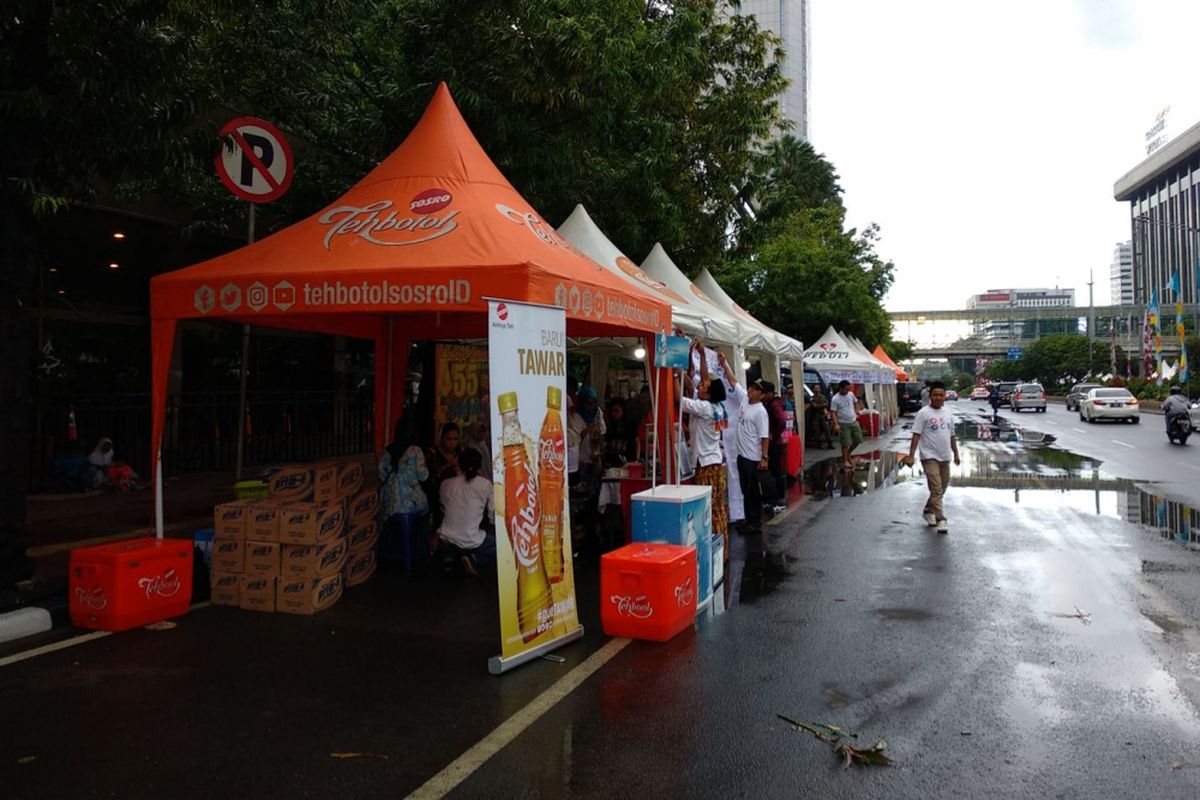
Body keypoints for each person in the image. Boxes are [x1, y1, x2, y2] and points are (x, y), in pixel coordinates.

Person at [681, 342, 730, 566]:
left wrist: (674, 372)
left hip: (707, 465)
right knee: (719, 508)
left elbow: (678, 400)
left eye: (704, 386)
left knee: (711, 510)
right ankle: (723, 550)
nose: (700, 385)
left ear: (708, 394)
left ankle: (716, 552)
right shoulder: (717, 406)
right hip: (716, 463)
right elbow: (697, 379)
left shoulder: (705, 409)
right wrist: (697, 354)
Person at [902, 381, 960, 534]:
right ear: (930, 396)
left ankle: (928, 510)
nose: (938, 398)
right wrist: (911, 455)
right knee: (936, 488)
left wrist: (956, 453)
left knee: (942, 488)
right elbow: (916, 435)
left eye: (941, 395)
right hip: (929, 456)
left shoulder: (948, 413)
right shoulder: (923, 413)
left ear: (945, 396)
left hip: (945, 456)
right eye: (935, 395)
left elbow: (952, 435)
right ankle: (941, 519)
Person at [378, 421, 431, 569]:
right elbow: (423, 476)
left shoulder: (388, 449)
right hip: (412, 503)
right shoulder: (416, 451)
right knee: (426, 512)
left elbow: (381, 474)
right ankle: (419, 552)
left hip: (389, 502)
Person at [437, 448, 496, 575]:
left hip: (445, 538)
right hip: (470, 541)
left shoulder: (446, 484)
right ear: (479, 466)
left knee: (455, 542)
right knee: (498, 547)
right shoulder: (485, 485)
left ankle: (450, 558)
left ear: (459, 463)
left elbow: (444, 507)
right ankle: (474, 559)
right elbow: (493, 516)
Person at [728, 373, 770, 535]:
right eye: (751, 388)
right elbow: (733, 382)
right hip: (742, 456)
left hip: (753, 457)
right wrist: (724, 364)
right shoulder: (745, 400)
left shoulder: (761, 412)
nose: (751, 391)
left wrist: (764, 457)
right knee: (746, 490)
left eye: (755, 390)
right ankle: (749, 519)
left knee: (754, 492)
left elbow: (764, 436)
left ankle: (756, 522)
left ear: (762, 395)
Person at [425, 422, 462, 529]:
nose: (452, 443)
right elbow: (428, 474)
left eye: (455, 439)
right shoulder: (433, 452)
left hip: (454, 496)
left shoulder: (459, 451)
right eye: (449, 439)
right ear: (442, 438)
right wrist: (448, 464)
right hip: (436, 496)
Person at [761, 380, 788, 503]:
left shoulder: (774, 404)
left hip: (773, 443)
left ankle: (777, 496)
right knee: (774, 470)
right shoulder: (770, 403)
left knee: (774, 470)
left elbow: (782, 421)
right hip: (773, 442)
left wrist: (774, 434)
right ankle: (775, 495)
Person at [829, 380, 864, 469]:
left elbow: (855, 402)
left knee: (858, 439)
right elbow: (833, 412)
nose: (847, 391)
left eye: (849, 389)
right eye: (846, 389)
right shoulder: (835, 399)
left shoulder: (851, 394)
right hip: (843, 423)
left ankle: (848, 454)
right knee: (845, 443)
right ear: (841, 388)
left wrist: (857, 410)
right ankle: (845, 461)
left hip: (853, 420)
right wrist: (836, 424)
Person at [603, 398, 637, 466]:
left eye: (617, 411)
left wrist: (636, 461)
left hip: (627, 463)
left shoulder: (629, 426)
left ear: (623, 410)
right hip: (611, 465)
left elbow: (636, 443)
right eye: (612, 411)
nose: (614, 414)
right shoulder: (610, 427)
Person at [807, 384, 833, 449]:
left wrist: (820, 405)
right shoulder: (812, 398)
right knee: (816, 431)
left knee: (827, 429)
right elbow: (814, 406)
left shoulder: (822, 396)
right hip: (815, 416)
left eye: (818, 388)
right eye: (816, 388)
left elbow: (826, 404)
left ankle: (830, 443)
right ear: (813, 389)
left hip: (822, 415)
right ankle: (818, 444)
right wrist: (822, 405)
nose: (817, 389)